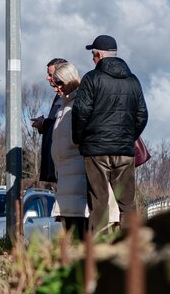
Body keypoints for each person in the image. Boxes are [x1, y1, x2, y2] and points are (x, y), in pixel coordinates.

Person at [72, 34, 148, 233]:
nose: (92, 59)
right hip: (124, 150)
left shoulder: (91, 79)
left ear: (98, 55)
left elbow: (80, 112)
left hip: (96, 150)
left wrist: (80, 139)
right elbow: (142, 115)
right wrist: (127, 136)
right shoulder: (133, 81)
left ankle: (99, 250)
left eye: (93, 55)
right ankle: (130, 247)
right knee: (128, 203)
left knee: (99, 202)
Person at [48, 61, 119, 238]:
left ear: (71, 80)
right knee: (73, 234)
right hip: (66, 177)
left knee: (84, 234)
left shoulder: (81, 103)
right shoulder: (64, 105)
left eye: (59, 83)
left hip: (80, 175)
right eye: (54, 83)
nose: (56, 88)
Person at [31, 58, 68, 187]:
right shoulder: (60, 95)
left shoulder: (69, 96)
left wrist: (44, 124)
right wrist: (44, 124)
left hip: (65, 167)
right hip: (58, 166)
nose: (47, 78)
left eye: (50, 74)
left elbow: (64, 125)